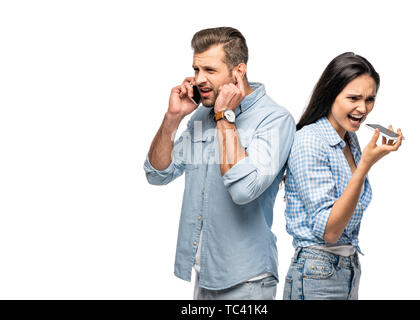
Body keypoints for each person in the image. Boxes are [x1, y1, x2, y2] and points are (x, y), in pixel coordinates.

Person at [143, 27, 295, 300]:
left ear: (238, 72)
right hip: (205, 274)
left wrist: (225, 117)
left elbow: (243, 190)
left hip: (247, 280)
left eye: (210, 71)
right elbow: (158, 174)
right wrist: (172, 118)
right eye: (196, 69)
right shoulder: (201, 116)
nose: (199, 79)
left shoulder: (275, 120)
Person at [282, 52, 403, 300]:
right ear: (331, 94)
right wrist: (365, 164)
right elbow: (330, 231)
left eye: (370, 99)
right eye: (353, 98)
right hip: (317, 271)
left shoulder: (349, 139)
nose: (363, 108)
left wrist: (366, 161)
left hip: (346, 268)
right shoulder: (309, 141)